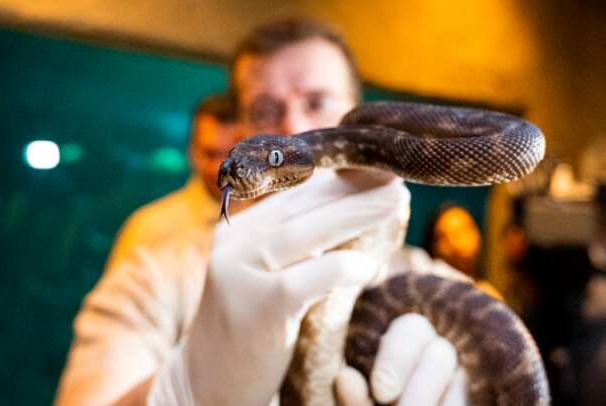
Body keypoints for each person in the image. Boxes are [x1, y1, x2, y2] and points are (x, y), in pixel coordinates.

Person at [55, 18, 467, 406]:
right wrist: (182, 390)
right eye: (265, 111)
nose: (293, 128)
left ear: (358, 116)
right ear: (241, 132)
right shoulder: (155, 280)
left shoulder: (428, 280)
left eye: (318, 102)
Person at [105, 94, 240, 271]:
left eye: (233, 155)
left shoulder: (272, 222)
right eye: (210, 154)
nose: (221, 168)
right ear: (191, 150)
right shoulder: (149, 228)